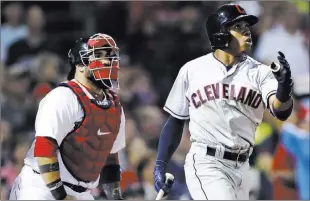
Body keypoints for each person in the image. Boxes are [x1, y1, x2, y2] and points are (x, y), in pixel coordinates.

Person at [153, 4, 294, 200]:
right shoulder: (192, 70)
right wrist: (160, 163)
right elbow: (176, 120)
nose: (247, 30)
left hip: (242, 166)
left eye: (247, 25)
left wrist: (284, 89)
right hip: (206, 162)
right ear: (220, 34)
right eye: (238, 26)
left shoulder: (260, 72)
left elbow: (281, 111)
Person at [9, 33, 126, 200]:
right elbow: (44, 149)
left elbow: (110, 157)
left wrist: (115, 197)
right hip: (41, 187)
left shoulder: (115, 106)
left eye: (110, 56)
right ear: (80, 63)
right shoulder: (63, 97)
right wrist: (61, 196)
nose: (107, 61)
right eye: (98, 56)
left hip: (82, 192)